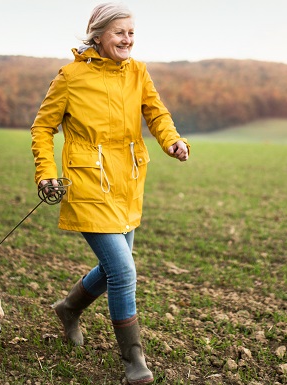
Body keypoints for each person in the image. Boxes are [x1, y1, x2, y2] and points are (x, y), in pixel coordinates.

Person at [29, 3, 189, 384]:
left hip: (128, 181)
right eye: (119, 33)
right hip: (86, 183)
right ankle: (134, 361)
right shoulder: (70, 77)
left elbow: (157, 113)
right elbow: (42, 128)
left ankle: (68, 308)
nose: (127, 40)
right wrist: (46, 172)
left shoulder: (138, 72)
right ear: (98, 35)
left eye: (131, 33)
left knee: (115, 267)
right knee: (123, 271)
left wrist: (172, 141)